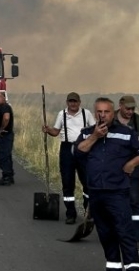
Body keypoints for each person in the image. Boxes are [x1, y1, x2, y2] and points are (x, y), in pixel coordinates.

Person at [75, 97, 139, 271]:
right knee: (105, 234)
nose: (103, 115)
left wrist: (131, 164)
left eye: (106, 112)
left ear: (114, 113)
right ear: (95, 113)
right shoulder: (87, 133)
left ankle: (133, 267)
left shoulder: (126, 132)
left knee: (125, 232)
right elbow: (78, 152)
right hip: (96, 193)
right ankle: (113, 267)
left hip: (117, 193)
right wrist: (95, 136)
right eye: (99, 112)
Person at [42, 92, 96, 224]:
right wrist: (48, 130)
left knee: (87, 181)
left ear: (79, 102)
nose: (73, 104)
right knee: (67, 182)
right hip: (67, 149)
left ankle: (88, 211)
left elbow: (95, 130)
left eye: (75, 101)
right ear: (67, 102)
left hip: (84, 149)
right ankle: (70, 213)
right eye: (71, 101)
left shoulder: (86, 114)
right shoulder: (62, 114)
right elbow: (56, 131)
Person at [117, 95, 139, 252]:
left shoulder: (138, 121)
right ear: (120, 106)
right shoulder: (110, 119)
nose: (130, 111)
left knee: (135, 200)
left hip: (133, 166)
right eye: (127, 109)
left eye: (132, 109)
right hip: (114, 168)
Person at [0, 92, 15, 186]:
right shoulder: (1, 107)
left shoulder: (5, 107)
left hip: (5, 136)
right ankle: (9, 176)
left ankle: (7, 177)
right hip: (5, 136)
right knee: (6, 156)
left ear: (3, 98)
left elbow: (6, 118)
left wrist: (1, 129)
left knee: (3, 157)